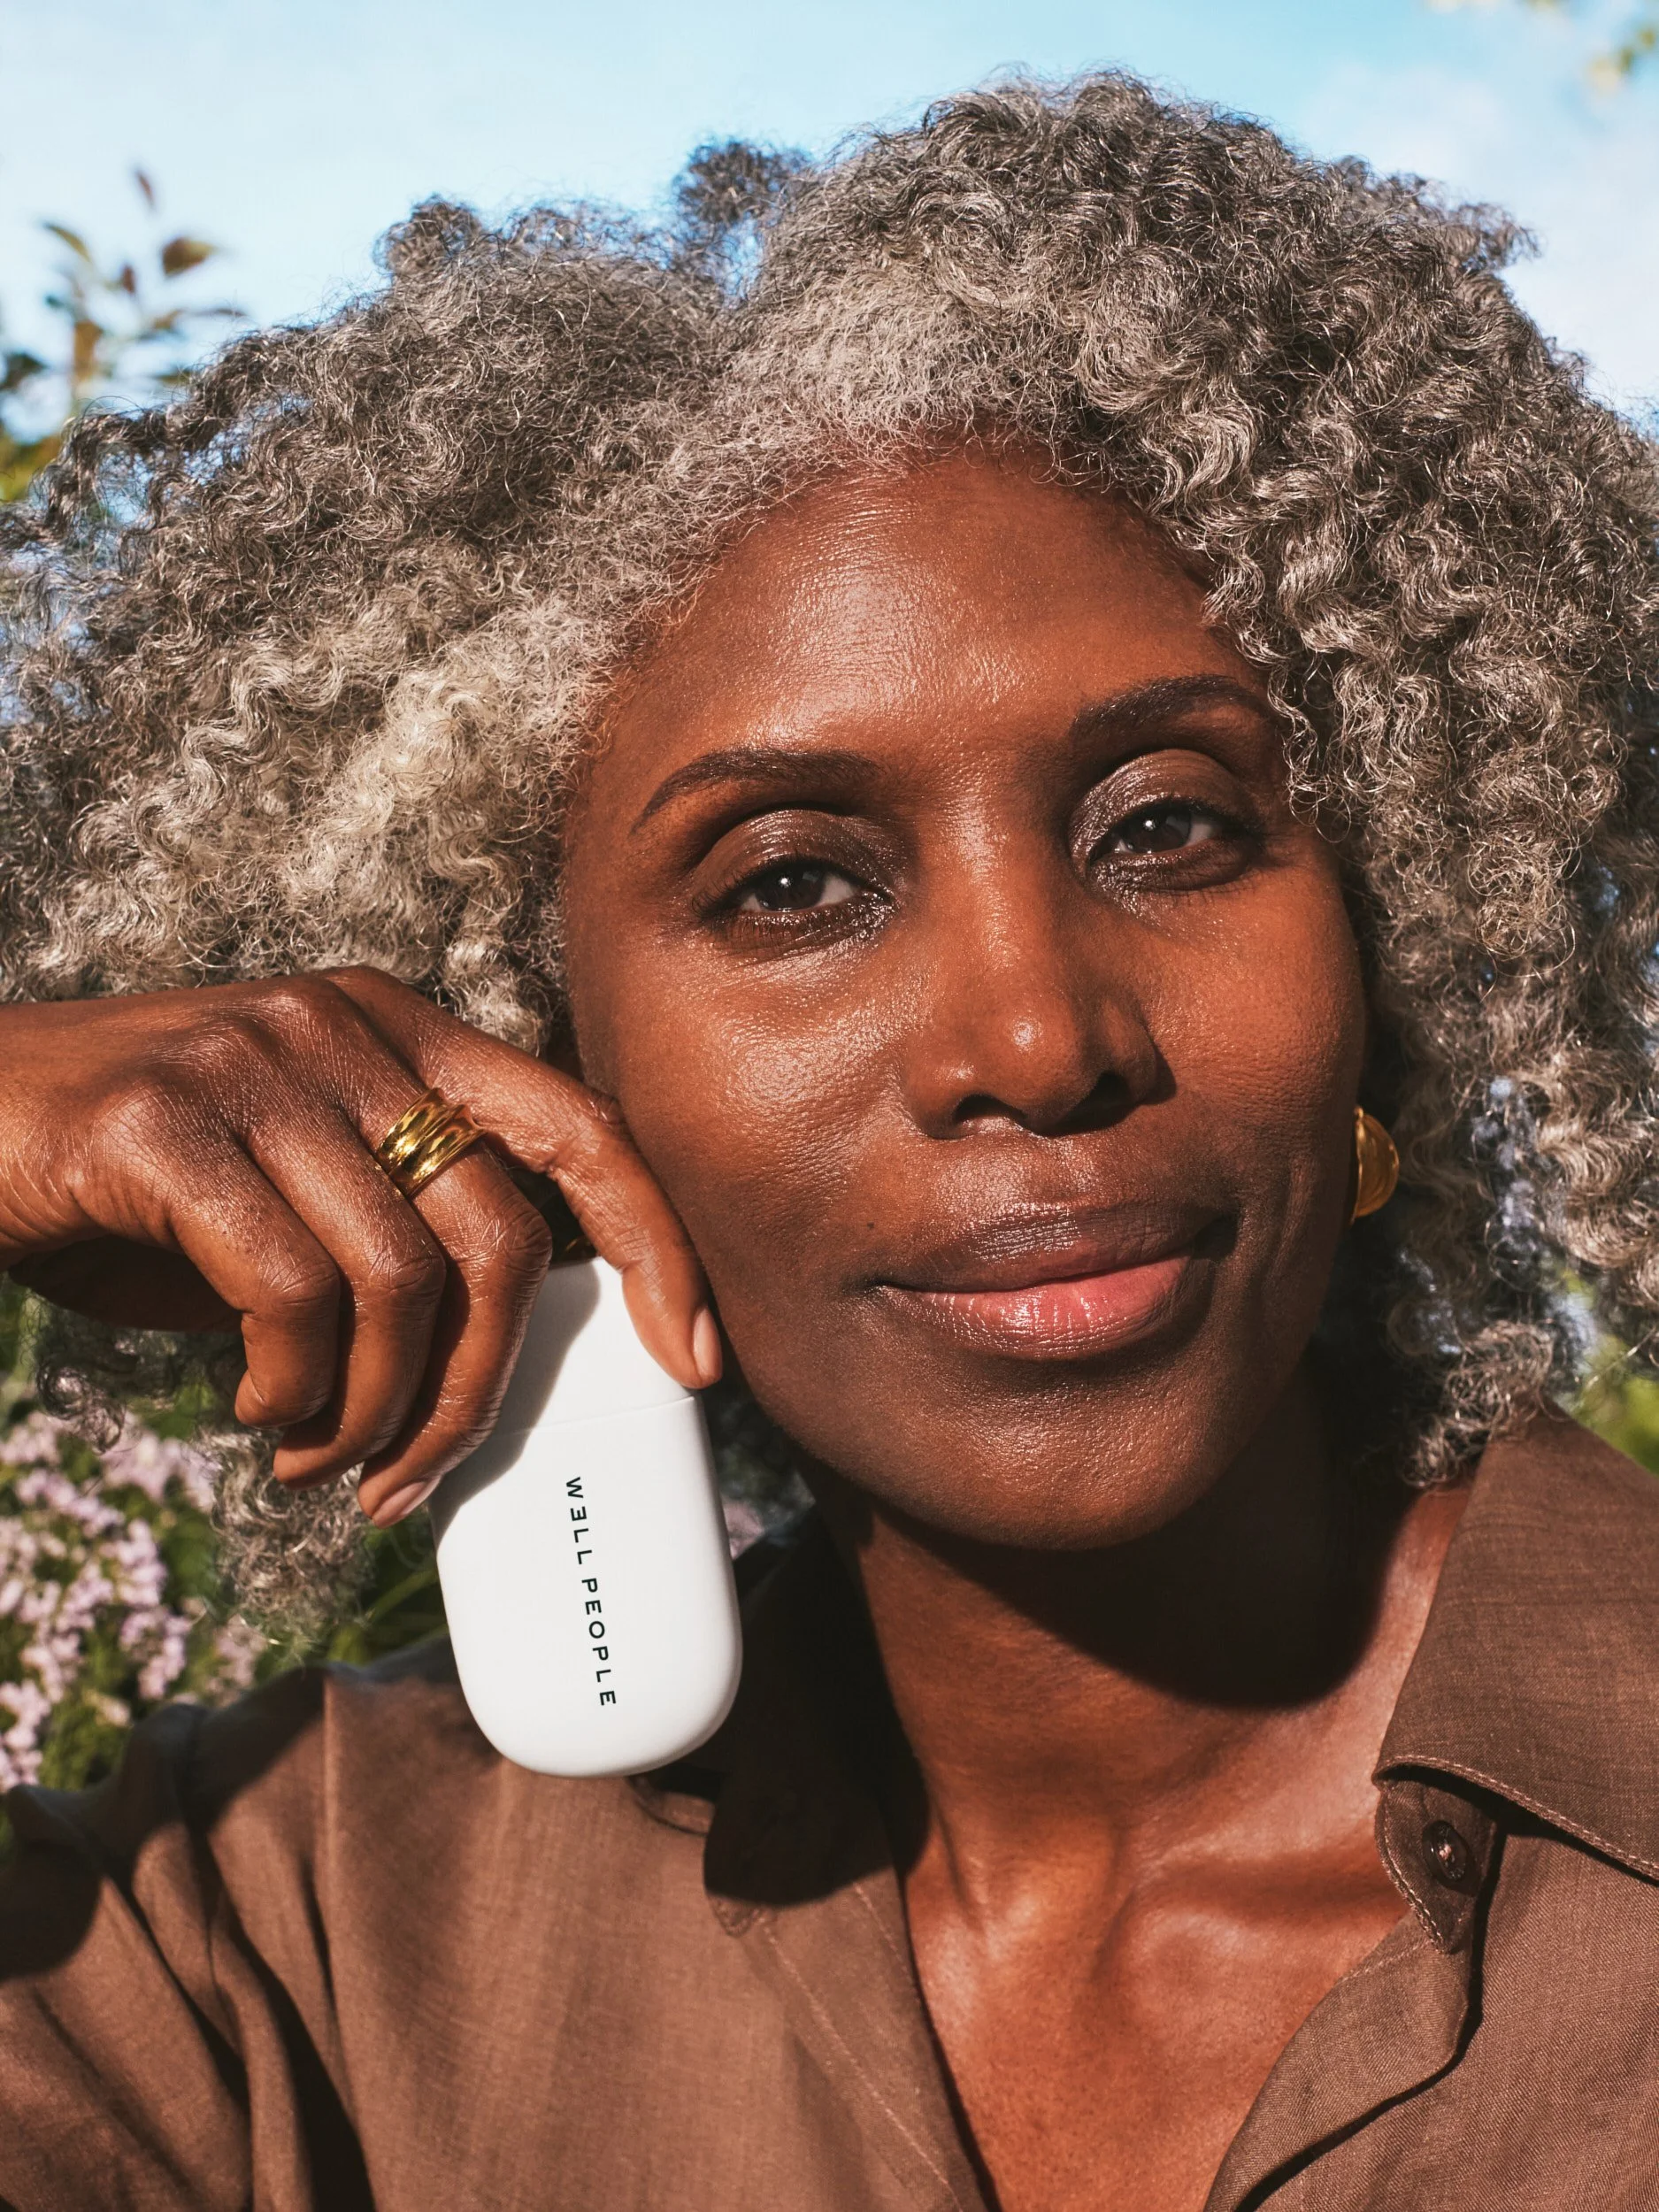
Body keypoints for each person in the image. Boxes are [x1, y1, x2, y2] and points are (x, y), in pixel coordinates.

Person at [2, 71, 1658, 2212]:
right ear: (525, 1044)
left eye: (1169, 824)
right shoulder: (294, 1940)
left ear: (1400, 927)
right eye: (791, 882)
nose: (1035, 1035)